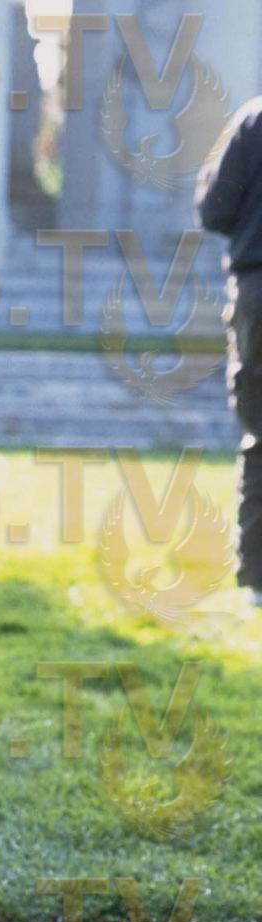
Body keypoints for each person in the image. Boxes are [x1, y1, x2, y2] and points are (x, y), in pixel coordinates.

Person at [199, 96, 262, 606]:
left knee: (260, 435)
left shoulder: (253, 120)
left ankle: (259, 577)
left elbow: (215, 209)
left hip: (257, 294)